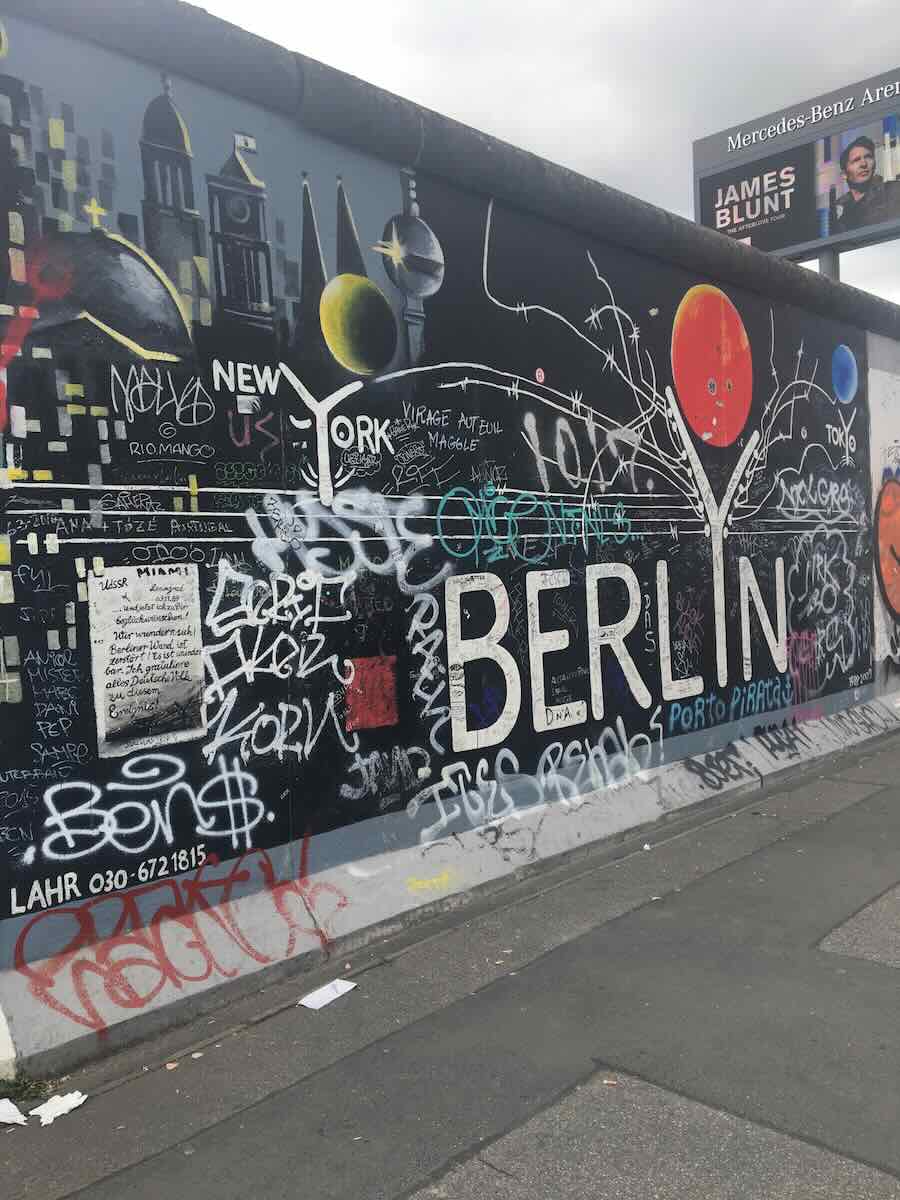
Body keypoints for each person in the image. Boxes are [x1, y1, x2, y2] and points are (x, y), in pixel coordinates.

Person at [834, 135, 900, 234]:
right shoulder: (843, 218)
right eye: (856, 160)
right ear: (844, 174)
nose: (864, 164)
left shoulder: (894, 191)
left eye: (868, 157)